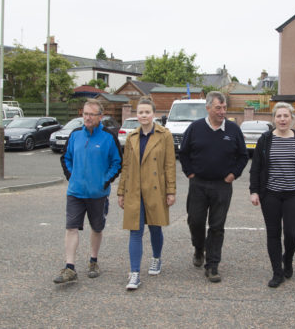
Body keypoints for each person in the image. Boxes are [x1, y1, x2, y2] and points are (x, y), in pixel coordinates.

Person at [179, 91, 249, 283]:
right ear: (208, 108)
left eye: (224, 107)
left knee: (217, 226)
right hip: (198, 184)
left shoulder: (233, 130)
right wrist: (190, 173)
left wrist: (234, 174)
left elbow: (243, 156)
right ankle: (198, 248)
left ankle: (212, 265)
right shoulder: (195, 128)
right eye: (218, 107)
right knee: (196, 222)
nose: (222, 111)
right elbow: (183, 153)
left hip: (222, 186)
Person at [54, 99, 122, 284]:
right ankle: (70, 267)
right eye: (85, 113)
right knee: (71, 227)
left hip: (98, 194)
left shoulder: (109, 137)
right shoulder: (75, 135)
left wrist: (105, 181)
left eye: (91, 114)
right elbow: (65, 158)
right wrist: (71, 176)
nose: (87, 117)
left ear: (100, 116)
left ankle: (93, 261)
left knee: (97, 228)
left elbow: (117, 162)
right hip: (75, 191)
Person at [249, 102, 295, 288]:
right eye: (279, 116)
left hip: (294, 193)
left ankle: (288, 258)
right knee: (273, 234)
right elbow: (256, 168)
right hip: (270, 194)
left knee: (292, 234)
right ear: (274, 118)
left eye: (286, 116)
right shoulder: (265, 139)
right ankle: (277, 272)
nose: (282, 119)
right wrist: (254, 191)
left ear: (292, 118)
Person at [117, 98, 176, 290]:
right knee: (135, 231)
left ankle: (156, 258)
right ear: (137, 115)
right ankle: (134, 274)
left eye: (147, 112)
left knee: (155, 228)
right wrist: (121, 192)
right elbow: (125, 166)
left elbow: (169, 165)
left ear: (153, 114)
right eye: (140, 112)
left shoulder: (164, 135)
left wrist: (170, 191)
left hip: (155, 188)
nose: (143, 115)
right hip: (134, 190)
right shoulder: (132, 137)